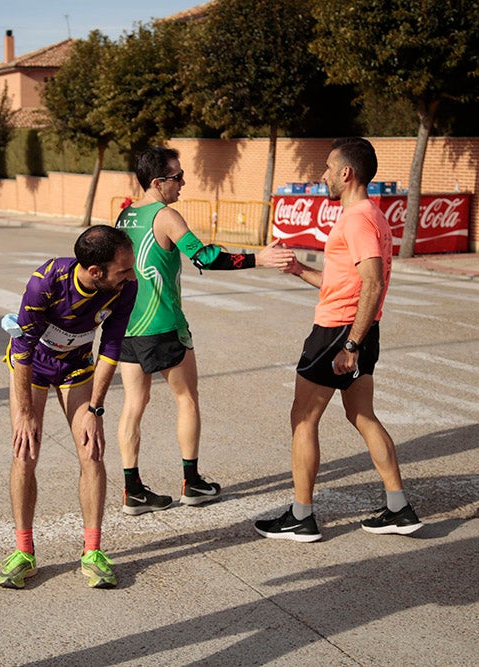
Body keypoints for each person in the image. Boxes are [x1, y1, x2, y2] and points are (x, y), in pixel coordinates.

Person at [254, 137, 423, 543]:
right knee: (362, 415)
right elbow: (341, 283)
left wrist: (350, 345)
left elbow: (373, 281)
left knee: (303, 418)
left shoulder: (357, 219)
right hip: (358, 327)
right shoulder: (370, 215)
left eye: (329, 169)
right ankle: (399, 508)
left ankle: (301, 516)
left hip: (338, 333)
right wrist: (298, 269)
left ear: (346, 173)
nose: (323, 176)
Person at [114, 146, 293, 515]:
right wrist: (260, 258)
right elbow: (205, 258)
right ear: (158, 182)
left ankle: (132, 490)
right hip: (163, 325)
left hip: (128, 325)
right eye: (177, 177)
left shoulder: (125, 216)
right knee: (186, 399)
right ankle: (192, 482)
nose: (183, 183)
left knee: (133, 405)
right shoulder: (165, 216)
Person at [0, 225, 137, 590]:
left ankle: (93, 552)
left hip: (76, 365)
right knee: (25, 452)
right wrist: (25, 412)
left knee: (92, 451)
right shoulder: (46, 282)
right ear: (96, 272)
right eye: (122, 270)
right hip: (33, 365)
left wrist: (95, 409)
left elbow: (111, 347)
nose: (130, 275)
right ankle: (24, 553)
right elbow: (23, 348)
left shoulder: (125, 287)